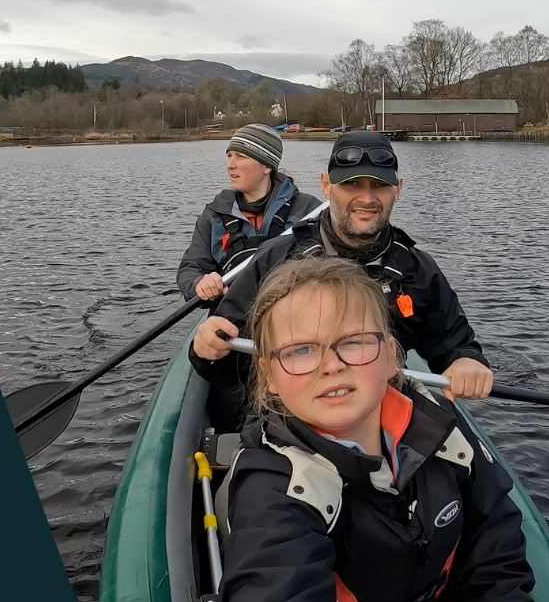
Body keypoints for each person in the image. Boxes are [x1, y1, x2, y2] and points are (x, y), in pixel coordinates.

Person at [214, 256, 548, 602]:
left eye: (352, 342)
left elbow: (492, 521)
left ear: (392, 355)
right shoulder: (278, 482)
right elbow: (270, 594)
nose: (330, 365)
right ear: (270, 376)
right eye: (301, 350)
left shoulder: (440, 431)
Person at [190, 131, 493, 434]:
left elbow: (456, 344)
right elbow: (226, 364)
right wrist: (207, 348)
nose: (366, 198)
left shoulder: (417, 270)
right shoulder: (277, 257)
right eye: (351, 185)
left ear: (397, 190)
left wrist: (467, 362)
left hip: (382, 420)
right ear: (326, 185)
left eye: (380, 186)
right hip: (290, 421)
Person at [176, 123, 321, 302]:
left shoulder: (310, 211)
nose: (230, 165)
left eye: (240, 156)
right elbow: (189, 268)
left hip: (294, 314)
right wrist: (199, 283)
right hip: (233, 319)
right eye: (229, 156)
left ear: (267, 167)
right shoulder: (215, 214)